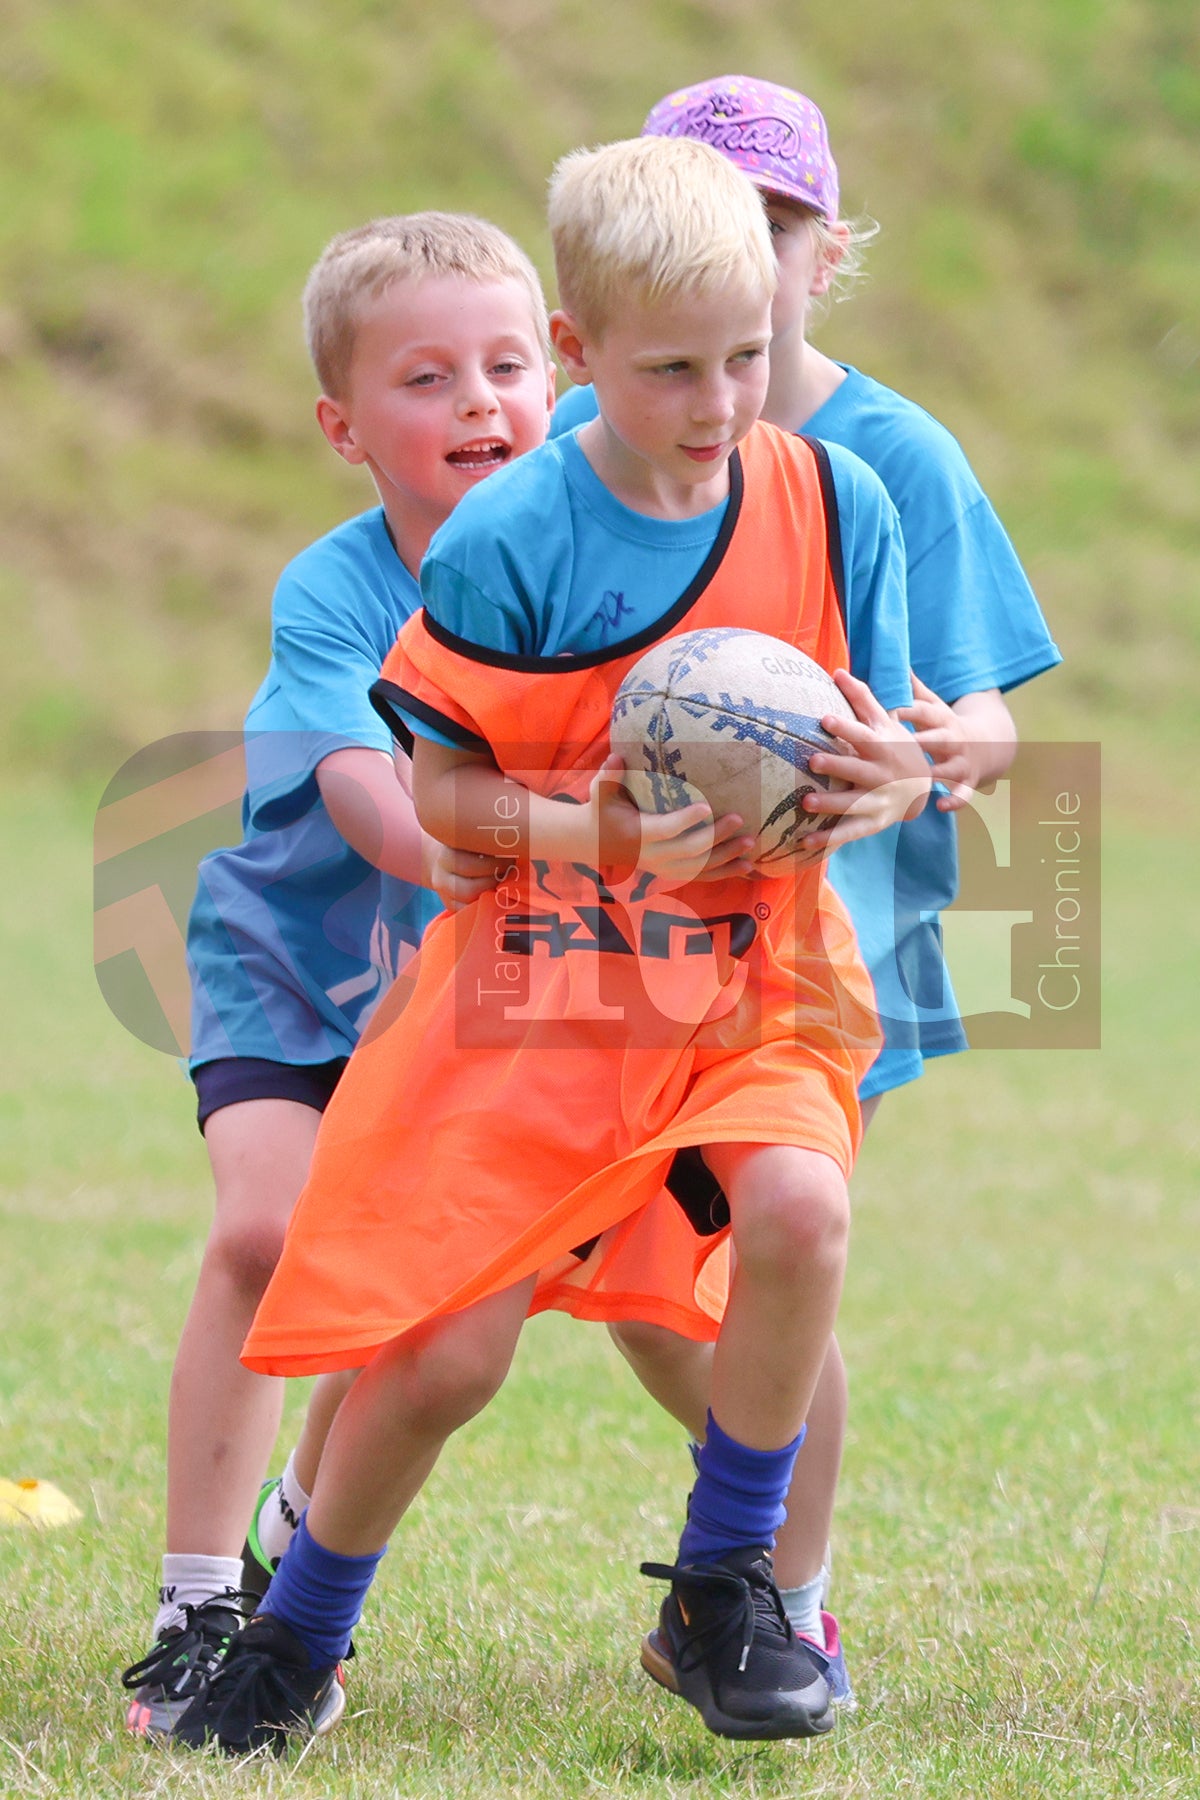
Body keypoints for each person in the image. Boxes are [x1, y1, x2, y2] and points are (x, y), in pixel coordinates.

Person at [170, 133, 929, 1758]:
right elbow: (445, 795)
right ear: (584, 358)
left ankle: (724, 1586)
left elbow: (899, 737)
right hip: (539, 986)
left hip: (750, 977)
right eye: (673, 370)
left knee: (796, 1212)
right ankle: (294, 1639)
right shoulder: (509, 541)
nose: (722, 403)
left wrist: (887, 777)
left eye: (751, 358)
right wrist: (604, 833)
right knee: (445, 1359)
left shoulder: (831, 496)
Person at [549, 75, 1062, 1700]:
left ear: (825, 252)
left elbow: (989, 709)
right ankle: (750, 1545)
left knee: (777, 1240)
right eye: (712, 219)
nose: (746, 257)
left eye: (777, 228)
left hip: (839, 949)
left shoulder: (893, 452)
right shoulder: (598, 439)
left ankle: (785, 1591)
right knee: (629, 1277)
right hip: (628, 940)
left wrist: (933, 757)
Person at [120, 212, 557, 1737]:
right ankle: (194, 1606)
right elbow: (370, 790)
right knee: (264, 1234)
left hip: (466, 1007)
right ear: (345, 429)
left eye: (508, 365)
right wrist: (479, 851)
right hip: (291, 970)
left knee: (396, 1311)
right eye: (429, 379)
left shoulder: (603, 569)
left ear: (561, 377)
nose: (479, 403)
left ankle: (297, 1549)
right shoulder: (335, 587)